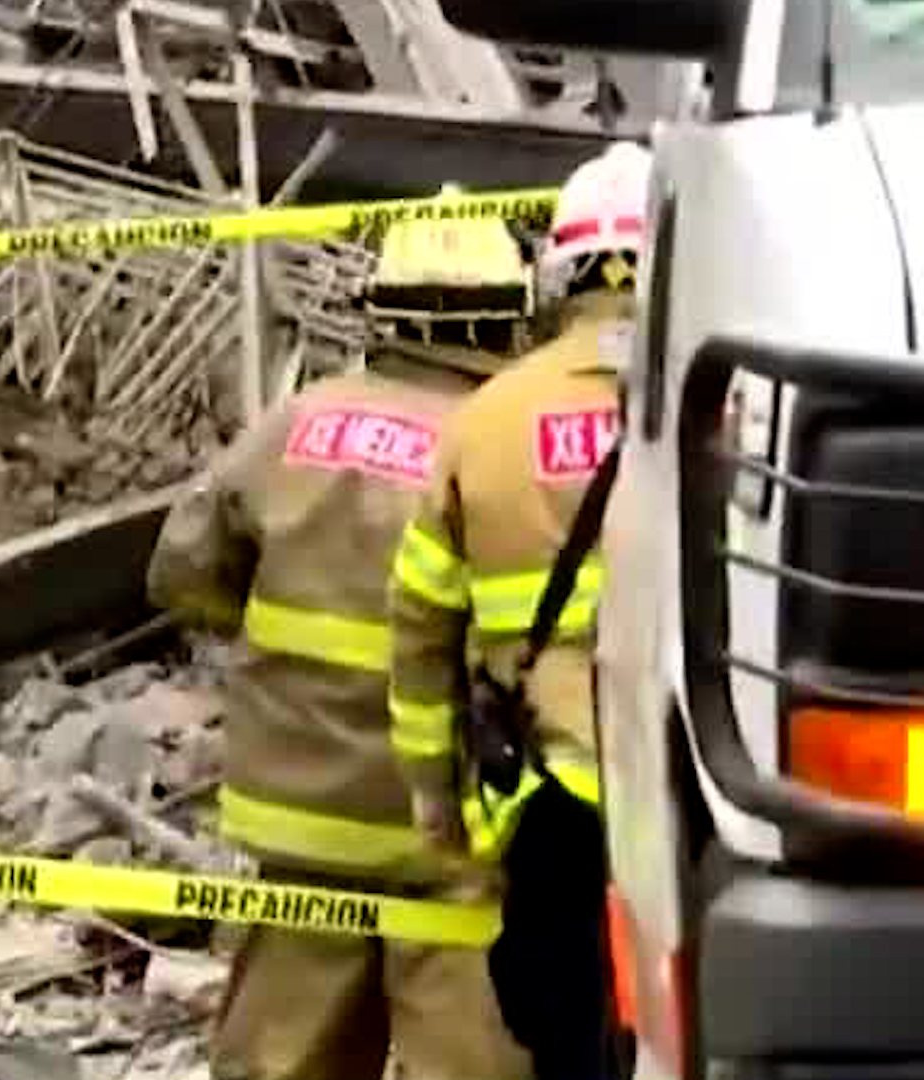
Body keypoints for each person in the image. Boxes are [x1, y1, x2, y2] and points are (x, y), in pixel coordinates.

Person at [146, 194, 536, 1080]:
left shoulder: (297, 423)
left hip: (304, 820)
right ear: (510, 314)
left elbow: (181, 572)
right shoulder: (501, 445)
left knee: (285, 1061)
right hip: (451, 827)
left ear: (381, 305)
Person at [385, 140, 653, 1080]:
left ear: (557, 274)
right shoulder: (729, 401)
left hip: (543, 794)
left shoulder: (481, 422)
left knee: (567, 1034)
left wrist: (435, 807)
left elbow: (419, 634)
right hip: (699, 788)